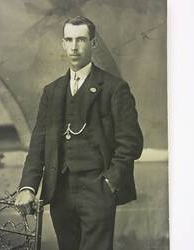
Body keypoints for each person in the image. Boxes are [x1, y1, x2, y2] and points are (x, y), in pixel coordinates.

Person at [15, 16, 143, 250]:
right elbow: (38, 145)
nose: (74, 47)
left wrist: (110, 183)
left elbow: (131, 143)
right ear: (63, 44)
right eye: (69, 40)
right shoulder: (52, 91)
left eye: (81, 40)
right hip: (60, 190)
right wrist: (28, 187)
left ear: (93, 44)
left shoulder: (114, 88)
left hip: (98, 189)